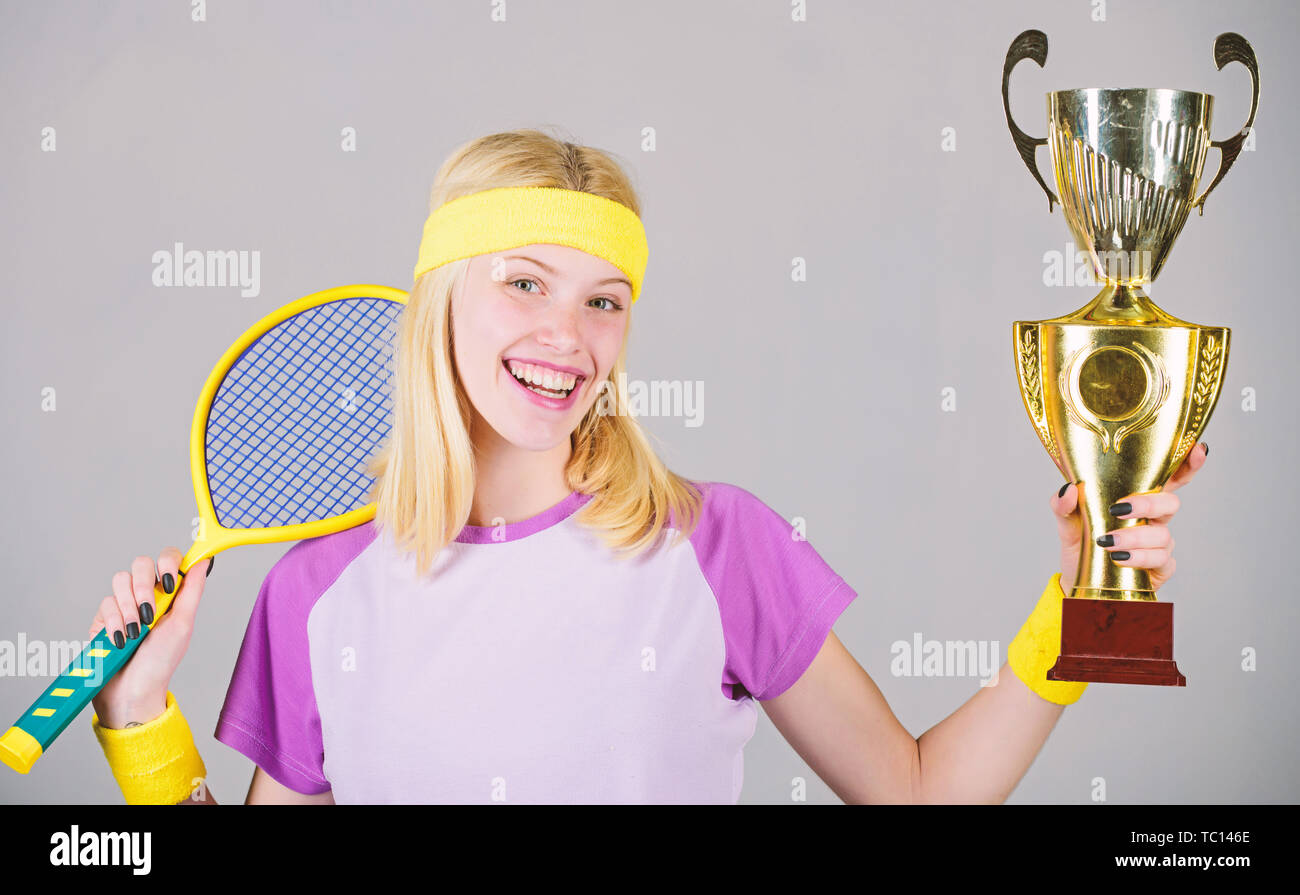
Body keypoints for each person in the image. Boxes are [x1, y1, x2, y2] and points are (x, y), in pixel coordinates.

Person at [88, 128, 1207, 804]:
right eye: (523, 283)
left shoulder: (717, 544)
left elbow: (917, 791)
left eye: (602, 301)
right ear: (439, 298)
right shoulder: (315, 588)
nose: (565, 337)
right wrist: (139, 722)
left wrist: (1088, 602)